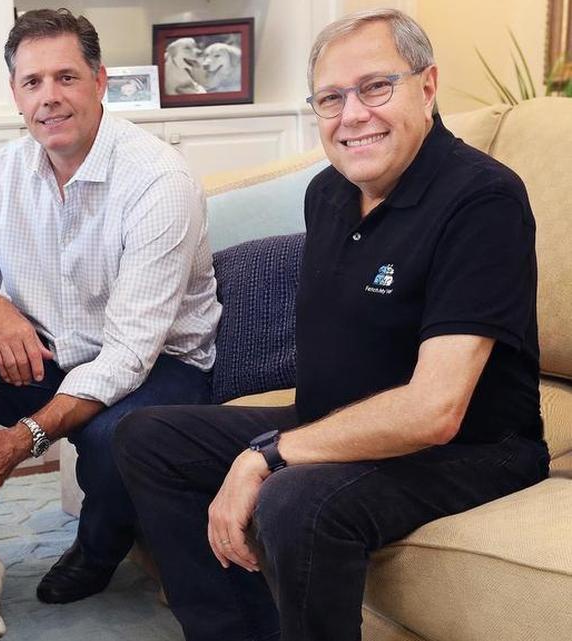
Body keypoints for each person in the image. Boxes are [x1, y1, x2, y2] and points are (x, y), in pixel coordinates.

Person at [113, 9, 550, 641]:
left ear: (427, 86)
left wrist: (267, 455)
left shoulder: (482, 200)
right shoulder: (328, 191)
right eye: (330, 98)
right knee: (146, 436)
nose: (352, 115)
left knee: (296, 502)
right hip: (338, 419)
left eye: (376, 87)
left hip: (470, 449)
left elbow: (435, 411)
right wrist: (286, 443)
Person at [0, 9, 220, 604]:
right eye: (32, 82)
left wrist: (25, 437)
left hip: (160, 365)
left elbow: (129, 354)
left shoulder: (158, 180)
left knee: (114, 439)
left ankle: (99, 546)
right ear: (16, 95)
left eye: (66, 77)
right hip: (47, 351)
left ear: (100, 80)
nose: (49, 97)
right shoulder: (5, 172)